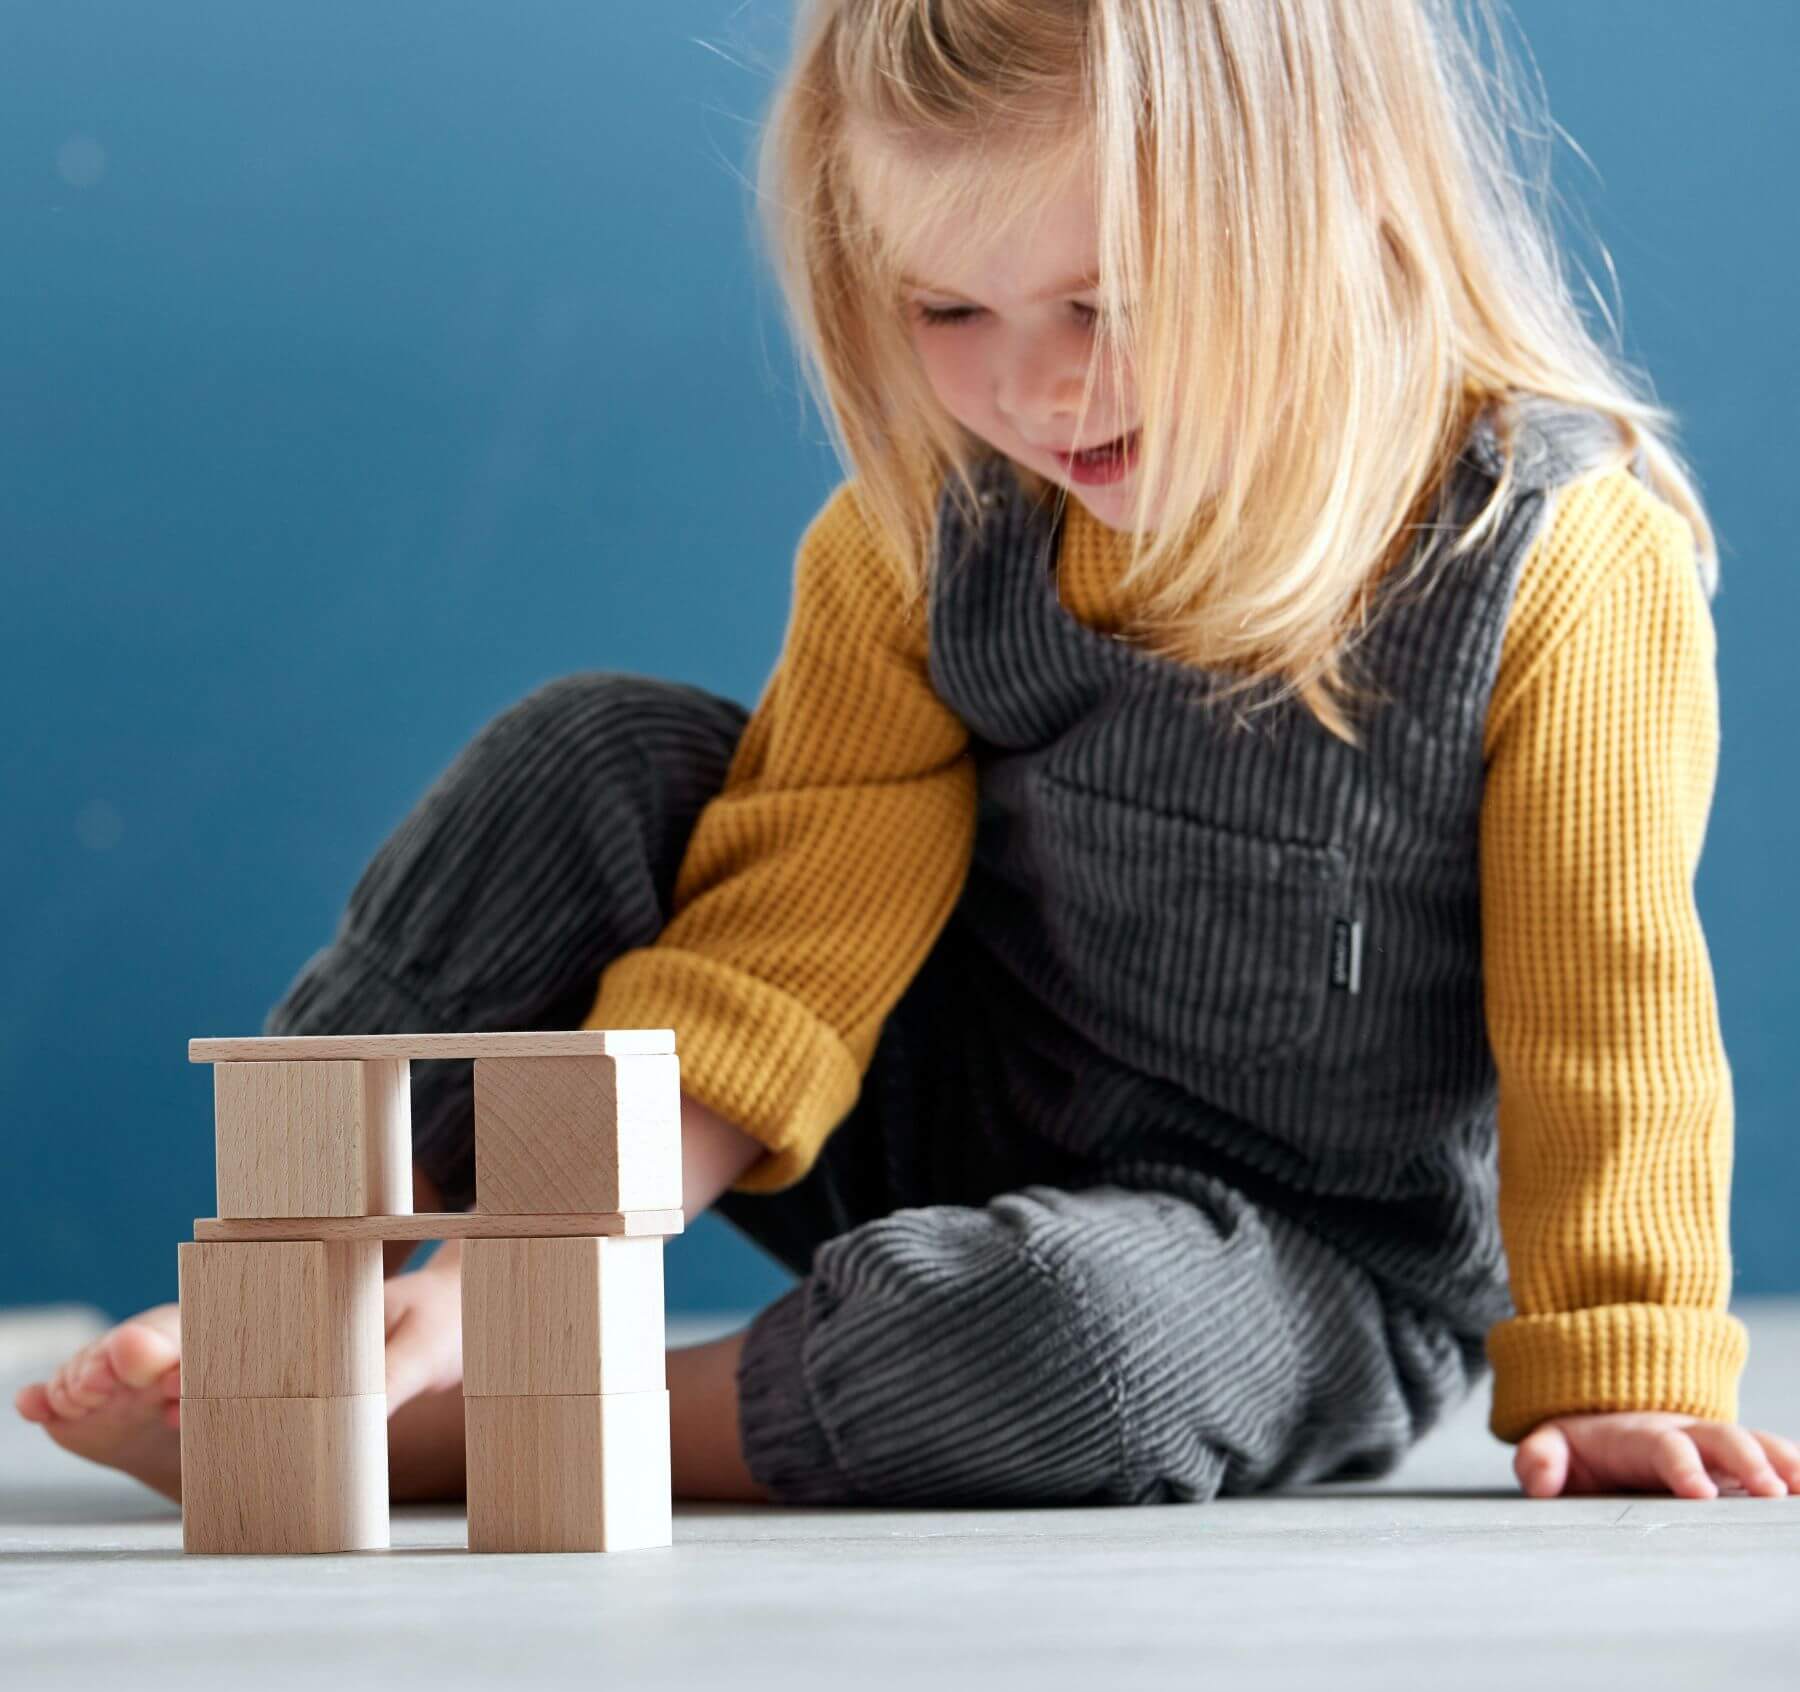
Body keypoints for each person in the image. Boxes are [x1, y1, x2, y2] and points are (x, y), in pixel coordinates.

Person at [17, 0, 1796, 1510]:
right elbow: (793, 932)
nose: (1031, 389)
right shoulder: (935, 526)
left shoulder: (1553, 556)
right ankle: (305, 1312)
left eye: (1101, 305)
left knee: (1064, 1338)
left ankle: (452, 1439)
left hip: (1280, 1264)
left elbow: (1608, 1003)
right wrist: (541, 1246)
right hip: (933, 1102)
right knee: (598, 757)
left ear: (1336, 211)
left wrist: (1617, 1355)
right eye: (951, 313)